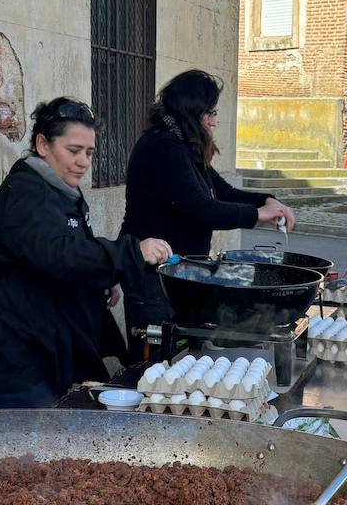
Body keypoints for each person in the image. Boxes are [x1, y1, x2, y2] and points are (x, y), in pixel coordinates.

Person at [0, 98, 171, 409]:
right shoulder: (24, 194)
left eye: (89, 152)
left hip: (48, 343)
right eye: (73, 151)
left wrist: (101, 277)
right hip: (12, 353)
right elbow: (56, 254)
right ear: (43, 144)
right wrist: (130, 252)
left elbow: (75, 248)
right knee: (36, 447)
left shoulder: (64, 191)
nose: (83, 161)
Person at [119, 70, 296, 360]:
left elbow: (222, 191)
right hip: (152, 279)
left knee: (180, 362)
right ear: (191, 111)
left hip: (178, 276)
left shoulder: (184, 147)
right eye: (209, 112)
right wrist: (256, 214)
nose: (214, 120)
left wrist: (268, 201)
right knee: (154, 368)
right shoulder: (163, 147)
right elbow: (202, 210)